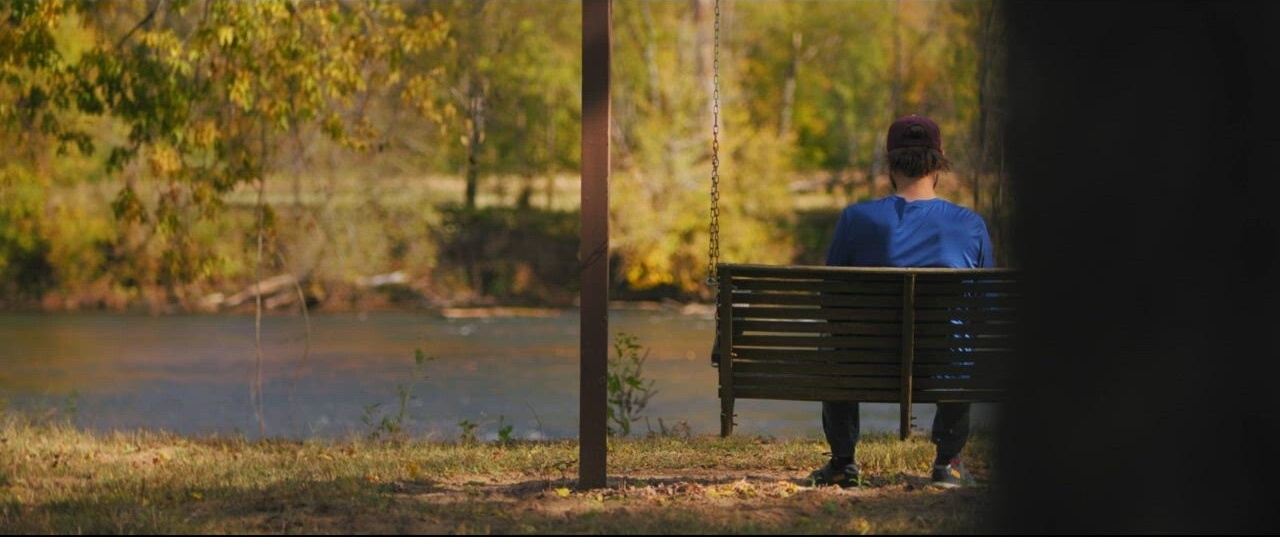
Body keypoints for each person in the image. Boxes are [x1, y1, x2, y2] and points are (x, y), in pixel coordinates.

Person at [807, 114, 995, 489]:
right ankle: (948, 464)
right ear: (939, 164)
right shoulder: (970, 225)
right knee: (963, 350)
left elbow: (830, 300)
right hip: (944, 368)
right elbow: (985, 310)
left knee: (834, 347)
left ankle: (844, 462)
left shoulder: (855, 219)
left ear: (890, 165)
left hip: (866, 363)